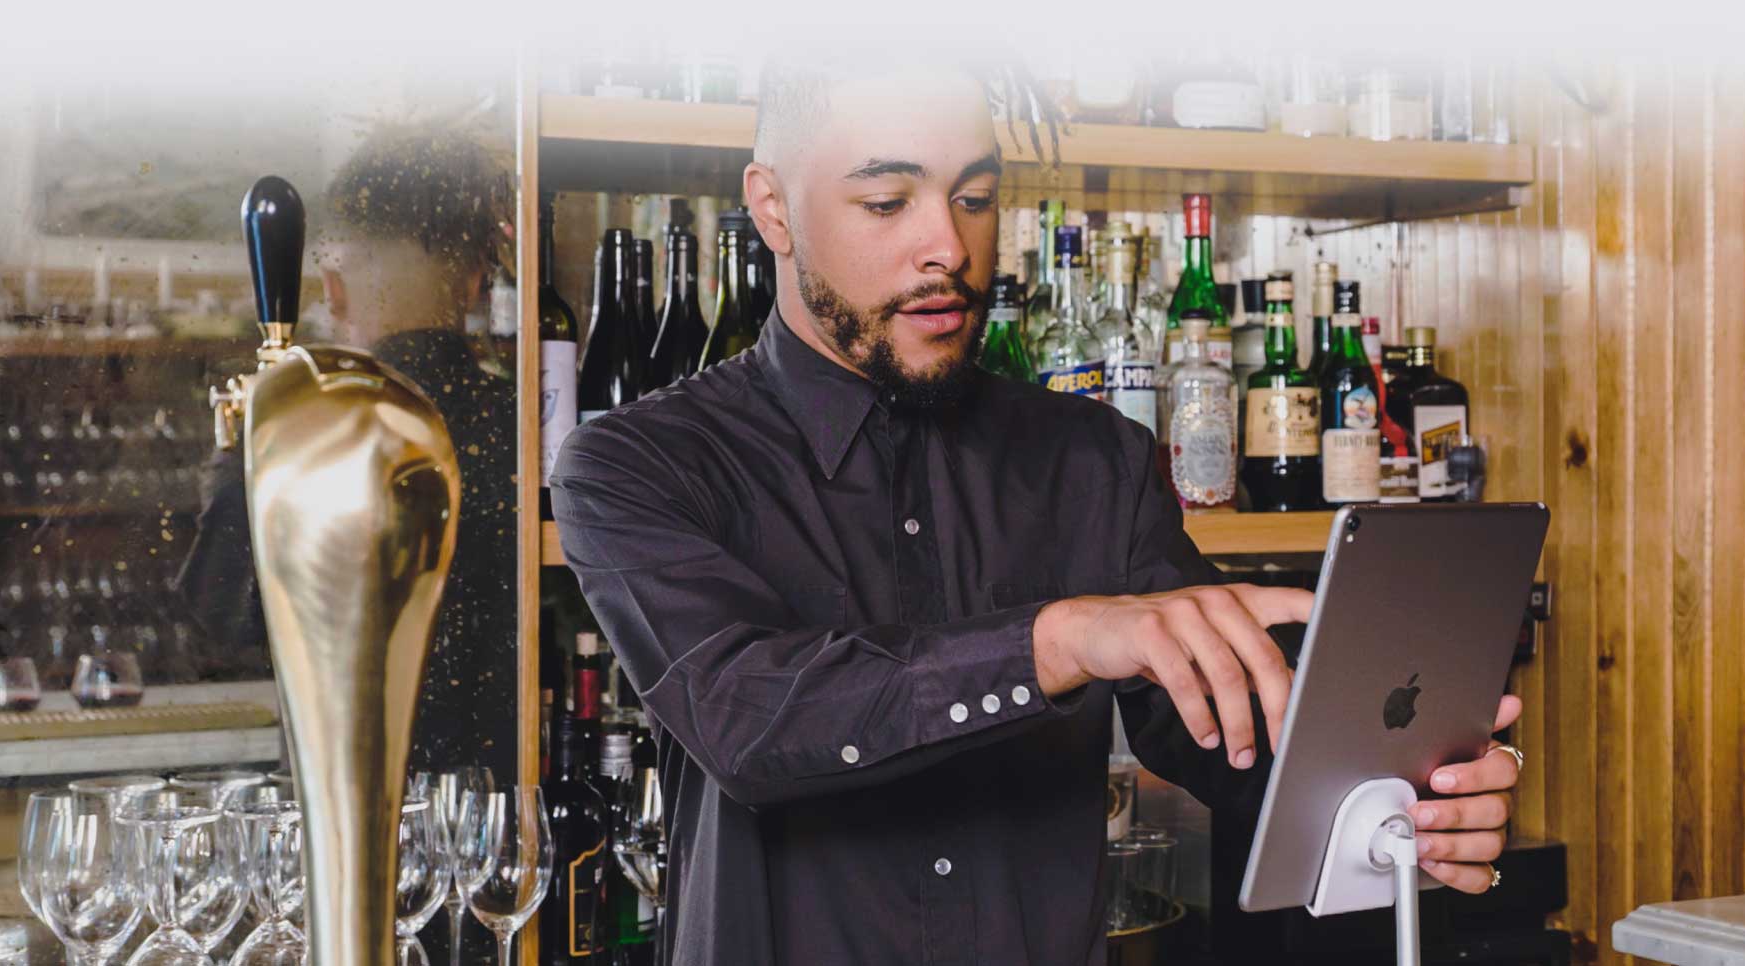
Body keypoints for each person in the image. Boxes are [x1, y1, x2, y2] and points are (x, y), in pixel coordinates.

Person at [549, 57, 1522, 965]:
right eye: (886, 201)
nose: (948, 245)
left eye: (975, 197)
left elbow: (1224, 730)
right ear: (773, 207)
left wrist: (1398, 802)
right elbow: (747, 717)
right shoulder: (643, 463)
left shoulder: (1091, 459)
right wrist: (1058, 641)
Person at [174, 117, 518, 779]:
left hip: (341, 809)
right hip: (501, 812)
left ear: (332, 290)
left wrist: (248, 440)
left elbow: (221, 612)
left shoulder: (317, 425)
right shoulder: (527, 422)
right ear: (476, 282)